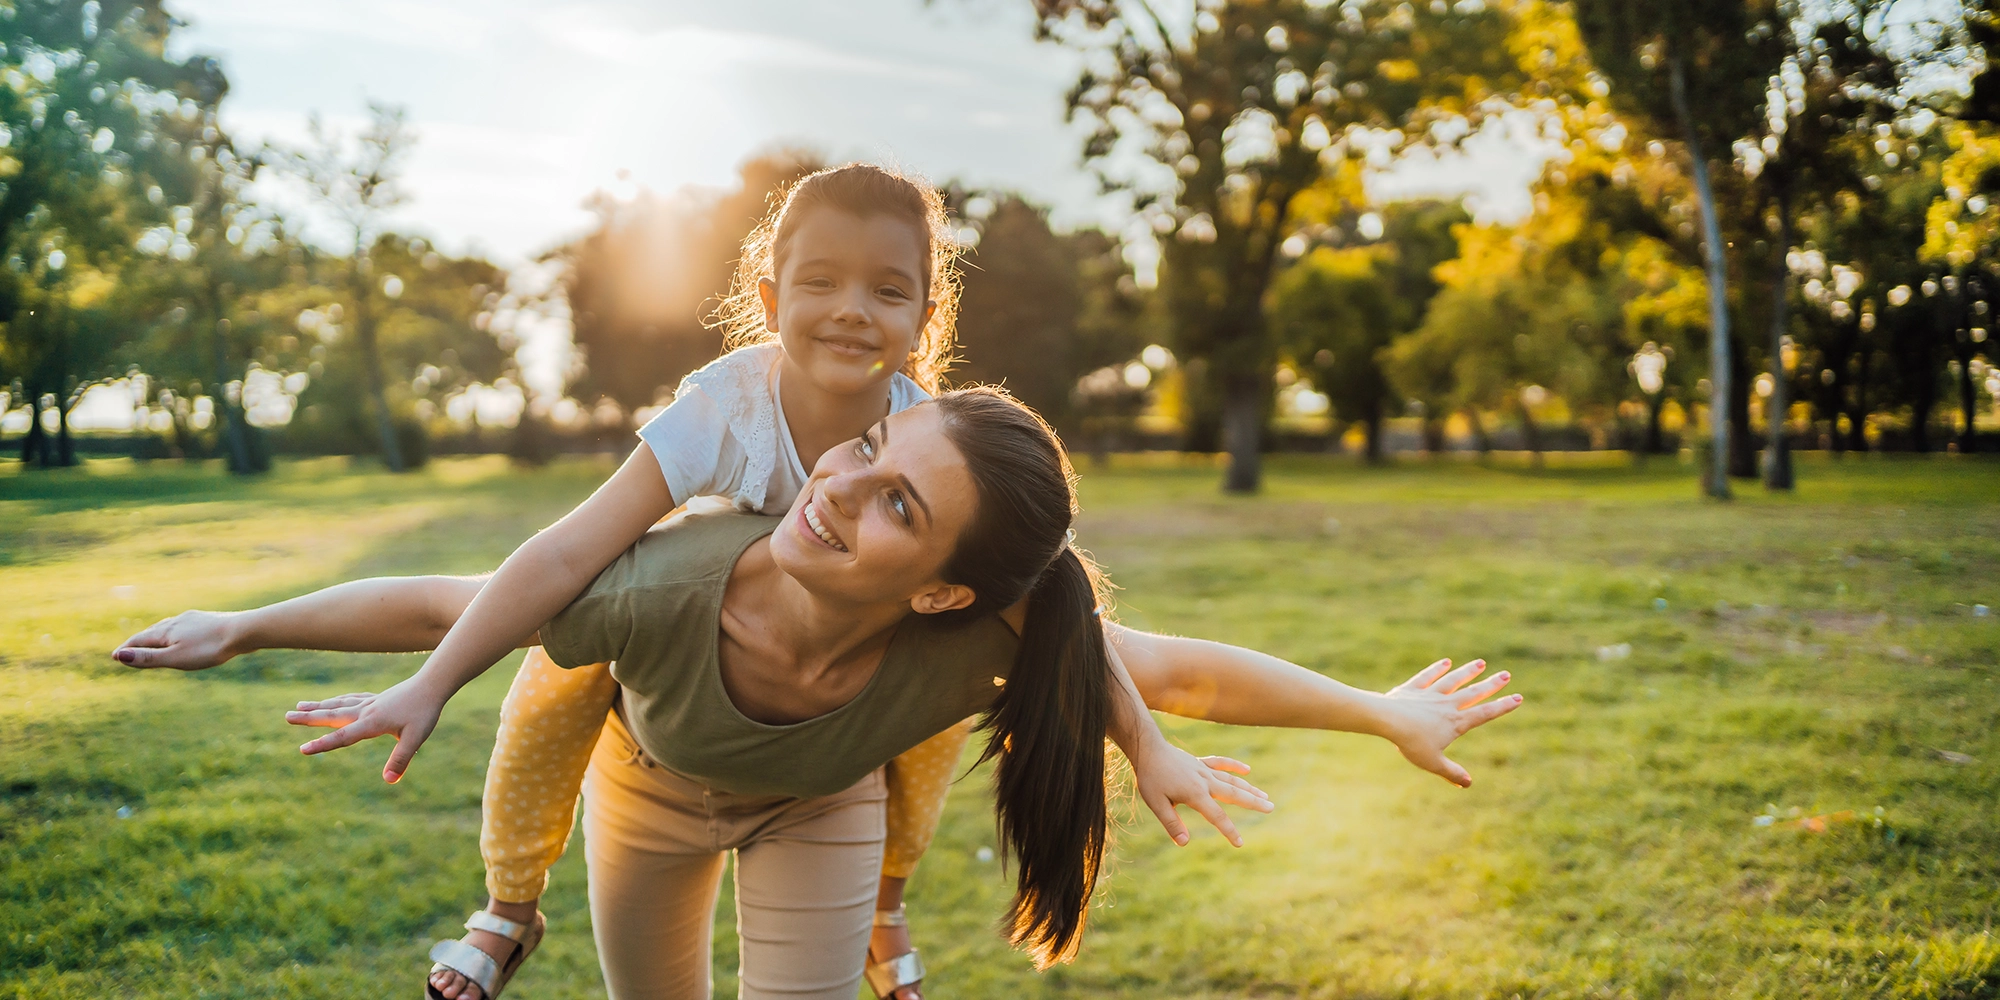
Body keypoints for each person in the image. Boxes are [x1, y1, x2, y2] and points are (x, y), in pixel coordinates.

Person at [117, 162, 1197, 1000]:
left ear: (926, 319)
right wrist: (421, 680)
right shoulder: (720, 408)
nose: (851, 309)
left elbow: (1067, 619)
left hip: (824, 743)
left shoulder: (930, 442)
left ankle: (883, 909)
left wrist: (1147, 742)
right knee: (558, 674)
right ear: (768, 297)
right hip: (668, 659)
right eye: (817, 281)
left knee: (919, 728)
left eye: (887, 288)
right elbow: (554, 558)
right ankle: (507, 902)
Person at [121, 389, 1523, 1000]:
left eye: (897, 500)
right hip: (650, 803)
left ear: (940, 592)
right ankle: (511, 910)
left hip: (821, 813)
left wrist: (1383, 711)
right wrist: (247, 626)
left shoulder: (976, 650)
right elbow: (452, 602)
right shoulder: (671, 585)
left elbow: (1178, 671)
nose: (838, 486)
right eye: (866, 445)